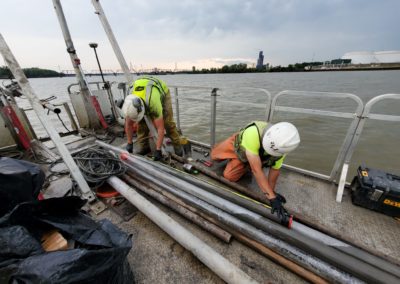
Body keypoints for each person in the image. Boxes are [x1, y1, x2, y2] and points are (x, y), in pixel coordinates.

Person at [211, 121, 300, 221]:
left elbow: (274, 171)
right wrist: (271, 196)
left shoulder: (282, 149)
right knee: (214, 156)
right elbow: (256, 170)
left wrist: (271, 195)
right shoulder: (252, 133)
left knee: (229, 176)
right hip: (240, 146)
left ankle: (247, 163)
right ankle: (241, 159)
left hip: (251, 156)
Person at [122, 76, 182, 160]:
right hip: (143, 90)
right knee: (141, 123)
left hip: (160, 90)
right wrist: (129, 143)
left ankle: (177, 146)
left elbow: (160, 128)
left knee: (168, 123)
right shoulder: (129, 103)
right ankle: (144, 147)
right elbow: (128, 125)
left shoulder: (153, 102)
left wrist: (158, 150)